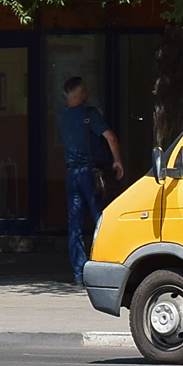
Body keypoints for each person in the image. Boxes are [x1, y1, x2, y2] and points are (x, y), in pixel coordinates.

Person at [57, 77, 124, 285]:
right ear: (79, 92)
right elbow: (110, 137)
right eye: (84, 89)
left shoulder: (63, 116)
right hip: (91, 173)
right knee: (101, 220)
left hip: (72, 174)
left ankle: (79, 272)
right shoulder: (89, 114)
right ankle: (108, 264)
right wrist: (117, 161)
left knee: (75, 224)